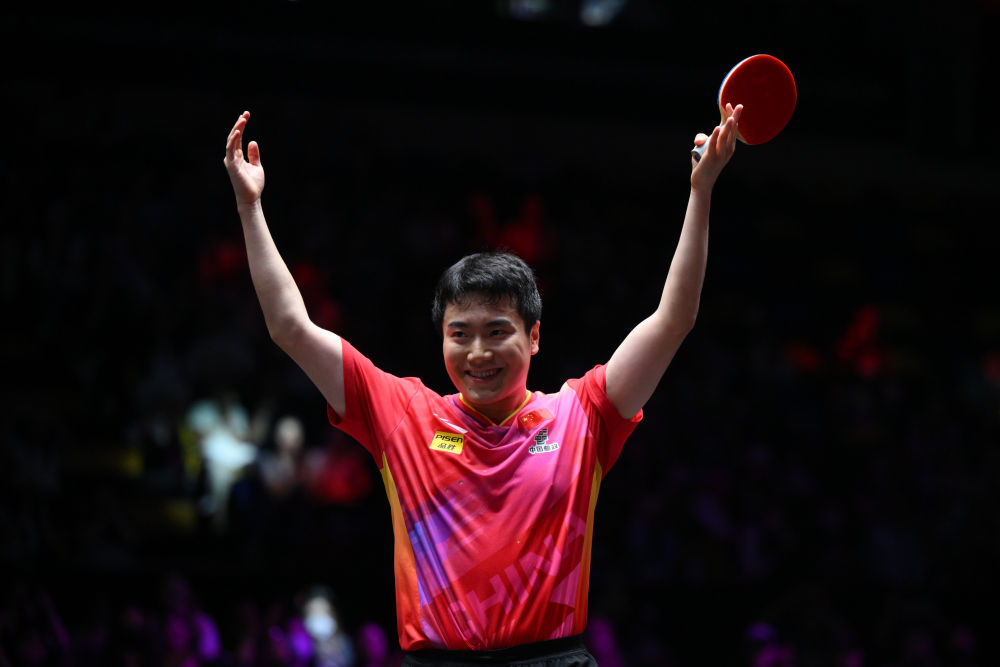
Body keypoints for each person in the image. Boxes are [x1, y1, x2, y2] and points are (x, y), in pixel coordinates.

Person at [223, 103, 743, 666]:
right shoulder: (402, 414)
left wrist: (701, 192)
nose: (478, 353)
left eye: (497, 332)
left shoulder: (583, 414)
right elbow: (291, 327)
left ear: (534, 336)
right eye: (460, 334)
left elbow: (673, 320)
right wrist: (250, 207)